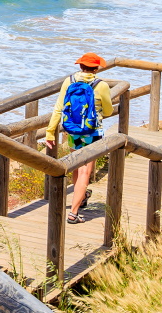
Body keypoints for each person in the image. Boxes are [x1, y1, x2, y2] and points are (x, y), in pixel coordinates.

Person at [42, 52, 115, 221]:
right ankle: (74, 213)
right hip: (92, 132)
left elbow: (59, 108)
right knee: (85, 172)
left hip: (73, 130)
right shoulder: (101, 85)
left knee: (76, 167)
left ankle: (80, 198)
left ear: (80, 66)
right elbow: (109, 110)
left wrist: (50, 132)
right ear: (96, 68)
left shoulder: (69, 81)